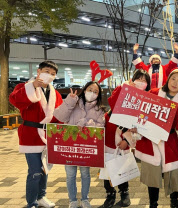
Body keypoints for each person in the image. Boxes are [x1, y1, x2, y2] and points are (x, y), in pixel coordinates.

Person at [135, 69, 178, 208]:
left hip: (169, 142)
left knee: (173, 176)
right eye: (173, 78)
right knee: (152, 177)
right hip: (150, 141)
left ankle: (174, 201)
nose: (175, 83)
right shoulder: (154, 93)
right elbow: (140, 111)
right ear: (168, 79)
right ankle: (153, 203)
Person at [9, 60, 63, 208]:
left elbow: (59, 115)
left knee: (44, 169)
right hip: (31, 135)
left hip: (48, 135)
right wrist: (32, 86)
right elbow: (14, 100)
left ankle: (41, 197)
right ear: (38, 72)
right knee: (35, 171)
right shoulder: (24, 87)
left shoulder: (55, 93)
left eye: (53, 74)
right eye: (46, 72)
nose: (49, 76)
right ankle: (31, 202)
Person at [102, 70, 151, 208]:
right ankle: (110, 193)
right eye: (138, 79)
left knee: (121, 165)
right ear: (132, 79)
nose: (141, 82)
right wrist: (127, 88)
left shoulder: (148, 99)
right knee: (107, 166)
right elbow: (112, 102)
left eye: (144, 80)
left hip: (125, 135)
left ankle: (124, 192)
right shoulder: (123, 89)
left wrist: (128, 141)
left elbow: (143, 126)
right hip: (110, 130)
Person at [53, 81, 106, 208]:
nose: (92, 93)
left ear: (98, 95)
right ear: (85, 89)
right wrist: (70, 101)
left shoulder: (99, 109)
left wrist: (88, 123)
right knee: (70, 174)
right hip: (70, 145)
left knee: (85, 174)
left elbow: (101, 126)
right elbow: (60, 116)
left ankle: (85, 199)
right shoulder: (74, 102)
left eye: (95, 91)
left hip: (85, 148)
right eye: (90, 89)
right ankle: (72, 200)